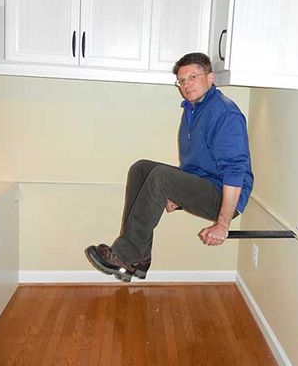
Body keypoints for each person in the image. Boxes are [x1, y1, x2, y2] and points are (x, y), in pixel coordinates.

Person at [85, 52, 253, 281]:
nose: (186, 85)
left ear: (210, 78)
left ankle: (126, 254)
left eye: (193, 77)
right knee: (141, 169)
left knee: (161, 176)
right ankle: (140, 258)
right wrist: (178, 194)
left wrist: (222, 224)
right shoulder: (193, 109)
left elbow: (235, 169)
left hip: (225, 196)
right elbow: (196, 165)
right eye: (182, 80)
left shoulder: (225, 113)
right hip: (206, 185)